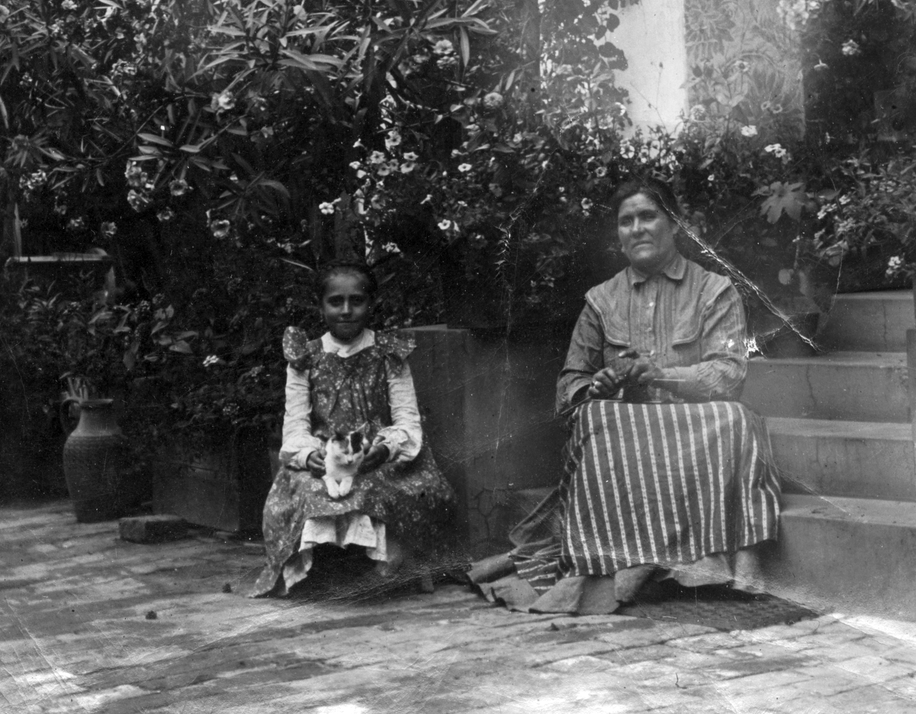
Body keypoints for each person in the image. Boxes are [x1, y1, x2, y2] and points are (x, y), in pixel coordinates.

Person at [471, 178, 783, 614]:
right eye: (626, 221)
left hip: (693, 432)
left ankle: (699, 562)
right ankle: (623, 560)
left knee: (734, 419)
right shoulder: (601, 301)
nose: (637, 228)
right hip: (624, 433)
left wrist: (662, 375)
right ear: (617, 235)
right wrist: (593, 387)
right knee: (593, 418)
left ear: (675, 225)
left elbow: (729, 372)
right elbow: (568, 388)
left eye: (648, 216)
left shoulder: (715, 291)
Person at [250, 262, 456, 597]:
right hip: (326, 453)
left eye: (356, 301)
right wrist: (306, 456)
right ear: (321, 306)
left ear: (371, 304)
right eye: (335, 301)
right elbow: (296, 423)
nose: (346, 311)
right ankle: (324, 567)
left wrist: (387, 448)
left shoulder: (388, 354)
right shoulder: (306, 357)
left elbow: (407, 419)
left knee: (384, 488)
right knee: (310, 489)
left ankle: (380, 569)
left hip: (376, 454)